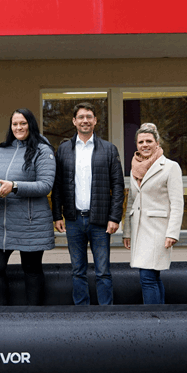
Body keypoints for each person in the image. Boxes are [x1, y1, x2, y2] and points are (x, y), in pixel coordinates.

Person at [52, 102, 124, 305]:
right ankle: (81, 314)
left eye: (89, 116)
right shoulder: (64, 149)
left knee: (103, 271)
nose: (85, 120)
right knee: (77, 271)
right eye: (81, 117)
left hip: (100, 221)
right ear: (74, 121)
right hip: (74, 219)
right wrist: (57, 215)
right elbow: (57, 185)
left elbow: (118, 185)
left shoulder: (109, 149)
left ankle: (106, 313)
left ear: (95, 121)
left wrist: (114, 217)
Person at [0, 108, 56, 305]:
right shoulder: (3, 149)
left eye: (23, 123)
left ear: (30, 124)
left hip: (30, 221)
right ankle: (2, 315)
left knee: (31, 270)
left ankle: (34, 317)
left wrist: (14, 187)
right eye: (15, 124)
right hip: (2, 220)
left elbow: (45, 185)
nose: (18, 127)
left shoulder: (43, 150)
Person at [122, 123, 184, 305]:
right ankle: (161, 318)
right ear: (136, 145)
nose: (145, 145)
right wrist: (127, 231)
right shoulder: (135, 168)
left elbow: (177, 203)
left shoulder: (170, 167)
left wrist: (172, 233)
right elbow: (131, 201)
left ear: (157, 143)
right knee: (153, 277)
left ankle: (152, 319)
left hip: (158, 231)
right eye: (141, 142)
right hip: (139, 231)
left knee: (147, 277)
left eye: (149, 141)